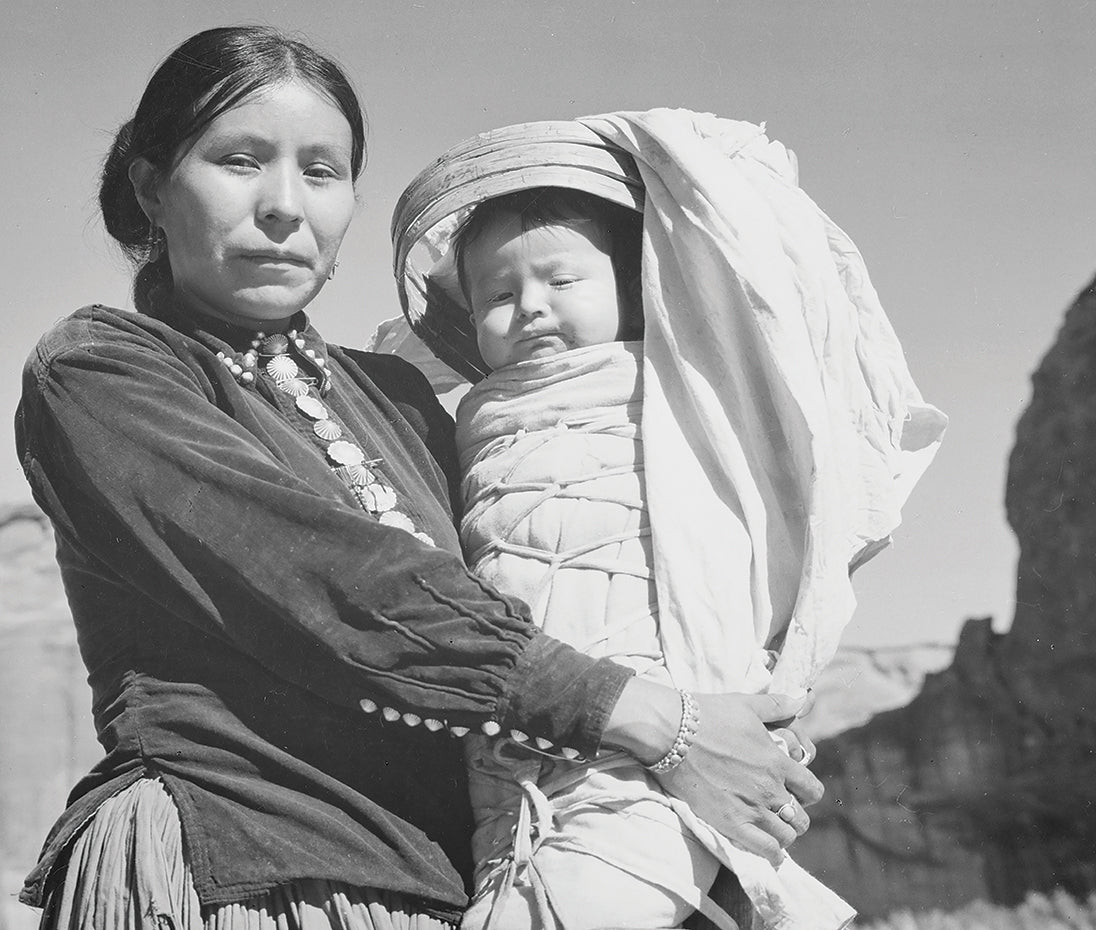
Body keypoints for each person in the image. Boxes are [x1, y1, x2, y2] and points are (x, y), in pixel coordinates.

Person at [15, 27, 822, 930]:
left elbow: (553, 574)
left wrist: (719, 714)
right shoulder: (106, 371)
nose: (285, 206)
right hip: (245, 867)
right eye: (240, 160)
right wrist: (653, 720)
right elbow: (327, 578)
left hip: (457, 889)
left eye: (322, 172)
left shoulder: (400, 396)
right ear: (151, 187)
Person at [387, 115, 946, 930]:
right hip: (517, 763)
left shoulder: (678, 395)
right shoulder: (471, 421)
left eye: (562, 280)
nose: (530, 308)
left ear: (633, 284)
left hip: (653, 759)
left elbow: (741, 252)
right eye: (498, 295)